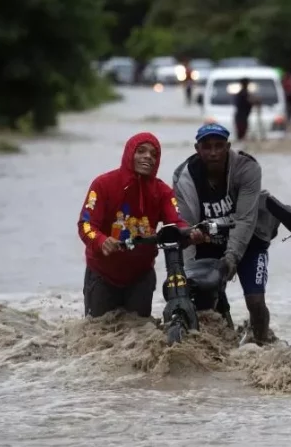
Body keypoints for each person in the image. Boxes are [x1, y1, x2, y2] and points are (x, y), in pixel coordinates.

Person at [172, 123, 279, 345]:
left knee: (256, 301)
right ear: (197, 149)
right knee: (202, 299)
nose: (213, 153)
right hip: (208, 241)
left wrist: (231, 258)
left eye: (219, 146)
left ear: (228, 147)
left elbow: (245, 219)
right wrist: (187, 275)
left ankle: (262, 345)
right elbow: (186, 225)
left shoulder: (247, 168)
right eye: (207, 147)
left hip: (249, 239)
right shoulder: (184, 176)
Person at [78, 132, 204, 318]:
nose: (148, 157)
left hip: (141, 276)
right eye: (141, 151)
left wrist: (190, 233)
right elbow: (85, 224)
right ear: (129, 154)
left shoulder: (163, 192)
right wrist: (101, 241)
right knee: (99, 336)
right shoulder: (103, 185)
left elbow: (176, 221)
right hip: (102, 275)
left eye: (154, 154)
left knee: (139, 334)